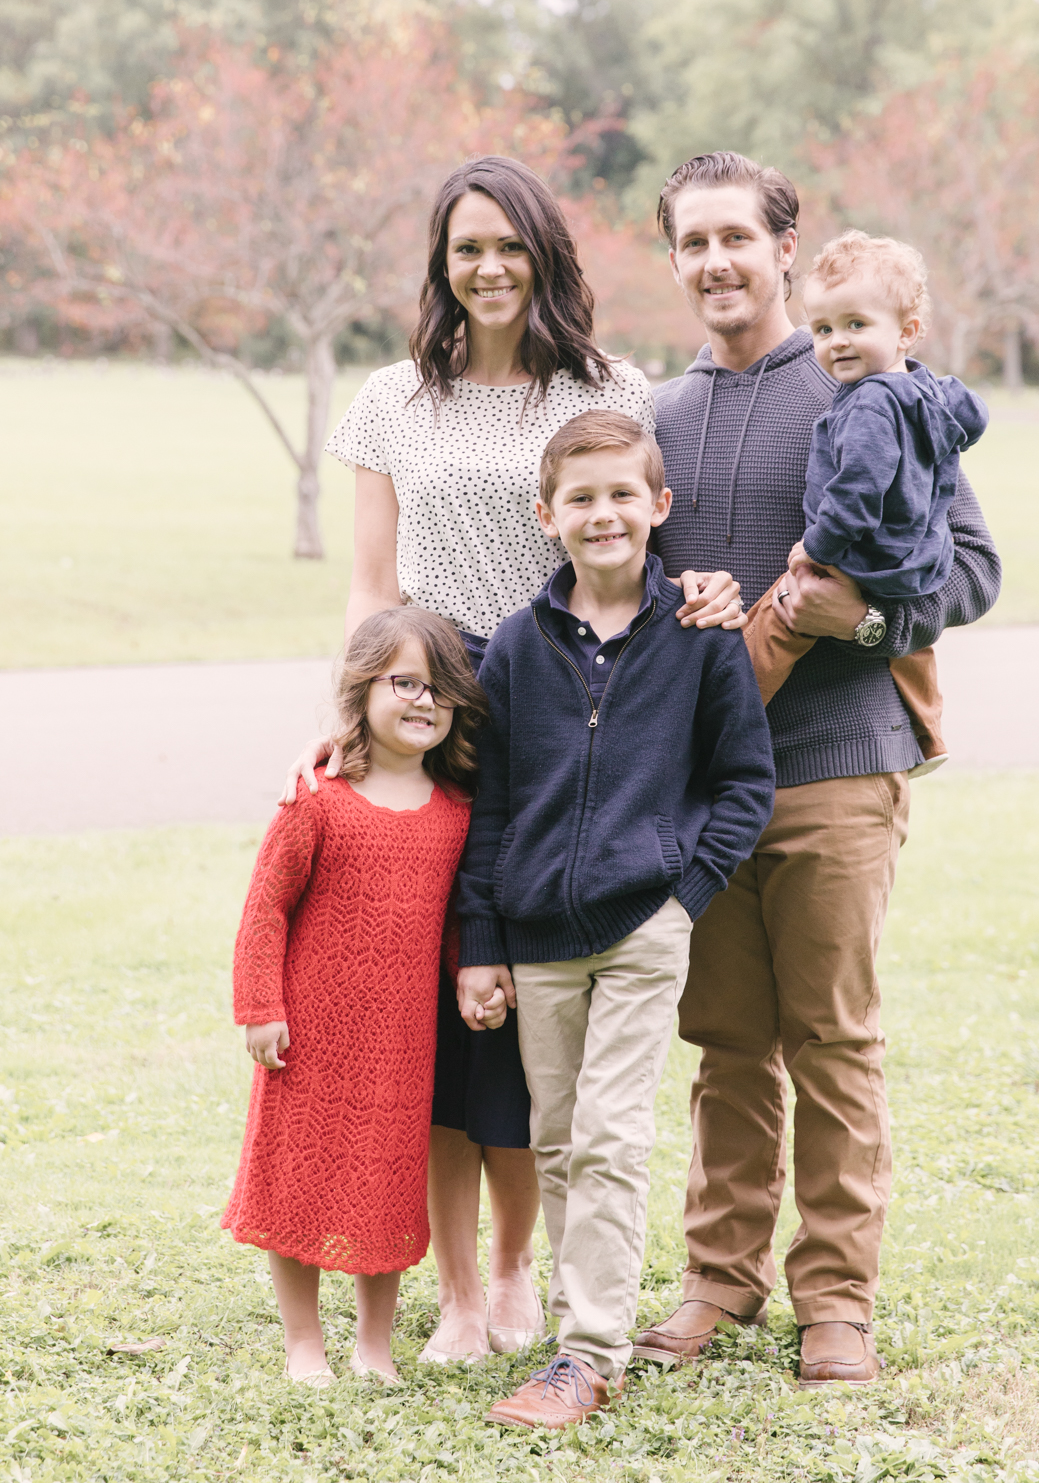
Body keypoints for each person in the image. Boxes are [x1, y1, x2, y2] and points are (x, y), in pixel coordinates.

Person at [280, 155, 744, 1362]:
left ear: (544, 252)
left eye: (508, 244)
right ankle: (457, 1293)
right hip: (430, 717)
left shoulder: (606, 388)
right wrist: (352, 715)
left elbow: (637, 525)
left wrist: (698, 588)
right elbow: (374, 584)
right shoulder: (394, 398)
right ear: (441, 261)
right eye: (464, 247)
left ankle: (516, 1274)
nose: (487, 267)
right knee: (446, 1016)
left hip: (563, 717)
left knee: (534, 1026)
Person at [631, 152, 1001, 1387]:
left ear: (786, 247)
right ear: (676, 259)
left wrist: (864, 623)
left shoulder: (870, 387)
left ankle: (837, 1299)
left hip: (841, 766)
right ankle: (716, 1284)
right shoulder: (663, 420)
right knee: (727, 1041)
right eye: (693, 243)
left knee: (832, 1040)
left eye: (738, 236)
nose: (716, 262)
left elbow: (972, 570)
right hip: (707, 786)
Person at [453, 411, 776, 1429]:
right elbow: (493, 806)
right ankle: (579, 1328)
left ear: (659, 507)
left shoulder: (700, 637)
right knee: (556, 1140)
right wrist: (482, 943)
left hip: (643, 927)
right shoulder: (516, 646)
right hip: (538, 931)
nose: (604, 515)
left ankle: (586, 1357)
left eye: (622, 495)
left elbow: (742, 782)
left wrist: (681, 898)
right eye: (582, 498)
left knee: (609, 1136)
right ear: (548, 515)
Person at [223, 606, 486, 1384]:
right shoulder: (319, 798)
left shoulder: (454, 814)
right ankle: (304, 1341)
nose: (423, 701)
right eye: (404, 682)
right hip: (310, 1033)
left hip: (402, 1043)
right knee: (296, 1175)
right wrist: (260, 1005)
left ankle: (374, 1343)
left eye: (440, 690)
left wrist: (474, 980)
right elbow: (265, 905)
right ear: (363, 687)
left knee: (391, 1183)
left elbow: (451, 925)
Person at [768, 229, 989, 772]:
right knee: (911, 649)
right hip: (919, 554)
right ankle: (928, 735)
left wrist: (814, 548)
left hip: (868, 552)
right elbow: (974, 415)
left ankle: (725, 718)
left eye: (855, 325)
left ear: (908, 331)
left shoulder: (867, 405)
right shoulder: (924, 390)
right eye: (822, 329)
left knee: (776, 625)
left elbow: (856, 495)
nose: (836, 341)